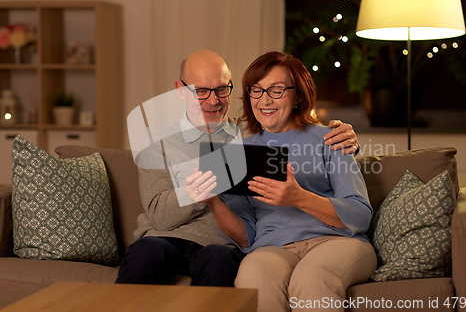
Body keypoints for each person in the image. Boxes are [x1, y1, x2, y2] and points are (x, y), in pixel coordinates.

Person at [116, 50, 361, 287]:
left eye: (222, 89)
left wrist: (344, 137)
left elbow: (298, 136)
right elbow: (159, 216)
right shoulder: (156, 143)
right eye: (201, 91)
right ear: (181, 91)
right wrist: (194, 194)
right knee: (145, 253)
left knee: (219, 261)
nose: (213, 101)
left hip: (223, 245)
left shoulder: (251, 132)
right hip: (164, 239)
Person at [187, 51, 376, 311]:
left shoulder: (331, 138)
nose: (265, 100)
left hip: (337, 242)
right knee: (252, 276)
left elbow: (359, 216)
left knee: (310, 279)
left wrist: (297, 197)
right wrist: (212, 201)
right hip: (273, 246)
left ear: (298, 95)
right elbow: (245, 237)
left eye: (276, 90)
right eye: (257, 90)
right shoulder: (239, 151)